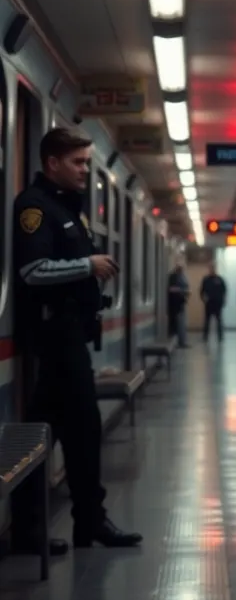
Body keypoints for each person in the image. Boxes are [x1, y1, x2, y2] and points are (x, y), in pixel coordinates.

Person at [11, 128, 143, 553]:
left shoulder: (69, 209)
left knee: (53, 431)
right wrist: (87, 265)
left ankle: (68, 523)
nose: (86, 169)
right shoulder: (34, 208)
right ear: (52, 163)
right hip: (55, 340)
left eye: (87, 162)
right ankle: (80, 522)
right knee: (77, 430)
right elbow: (33, 271)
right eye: (79, 162)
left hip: (70, 338)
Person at [200, 263, 227, 342]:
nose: (212, 270)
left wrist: (223, 300)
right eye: (211, 268)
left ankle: (220, 337)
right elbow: (202, 291)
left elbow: (224, 290)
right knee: (207, 320)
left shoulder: (220, 279)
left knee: (219, 320)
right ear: (209, 269)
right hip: (209, 303)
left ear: (215, 269)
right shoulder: (206, 279)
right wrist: (203, 299)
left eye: (213, 268)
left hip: (217, 303)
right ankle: (205, 337)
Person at [167, 263, 189, 348]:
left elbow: (185, 287)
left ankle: (182, 341)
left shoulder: (182, 277)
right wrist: (181, 290)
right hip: (175, 305)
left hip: (181, 303)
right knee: (178, 324)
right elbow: (171, 289)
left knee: (182, 323)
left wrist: (185, 292)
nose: (181, 270)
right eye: (180, 268)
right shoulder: (173, 277)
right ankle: (179, 342)